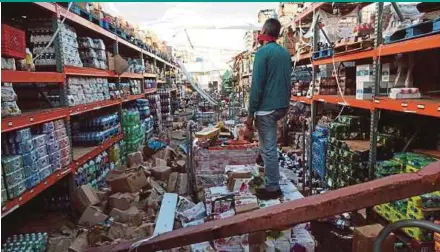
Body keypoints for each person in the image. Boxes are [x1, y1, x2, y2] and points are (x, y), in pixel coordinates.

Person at [245, 18, 292, 200]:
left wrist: (250, 114)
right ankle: (269, 174)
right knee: (268, 146)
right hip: (282, 106)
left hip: (267, 109)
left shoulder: (262, 53)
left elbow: (257, 86)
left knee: (268, 149)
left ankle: (273, 187)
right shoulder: (284, 53)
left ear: (264, 31)